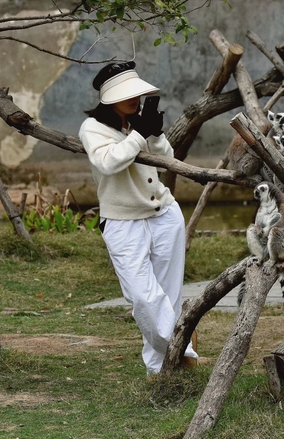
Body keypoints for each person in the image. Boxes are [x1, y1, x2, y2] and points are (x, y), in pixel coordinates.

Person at [79, 61, 197, 375]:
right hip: (122, 221)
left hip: (164, 216)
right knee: (143, 298)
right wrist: (139, 134)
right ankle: (182, 346)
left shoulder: (138, 122)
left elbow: (167, 161)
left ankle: (160, 372)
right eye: (126, 94)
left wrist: (154, 133)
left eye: (136, 93)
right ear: (109, 98)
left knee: (168, 297)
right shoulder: (92, 129)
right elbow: (108, 162)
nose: (134, 99)